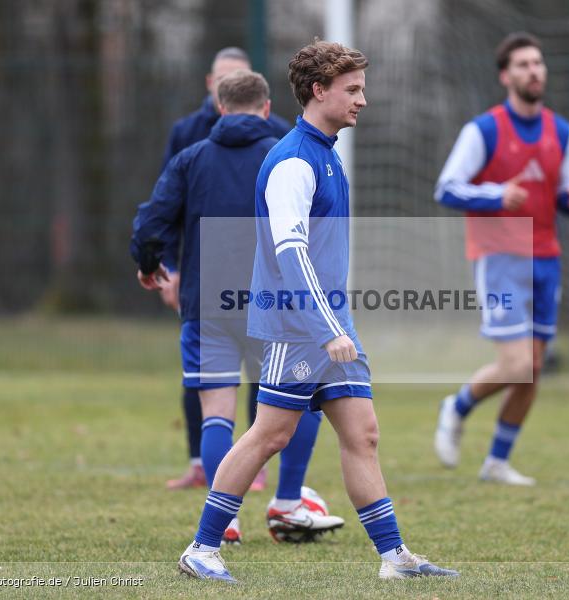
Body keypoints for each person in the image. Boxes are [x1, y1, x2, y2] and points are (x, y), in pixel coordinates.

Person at [177, 40, 459, 582]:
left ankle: (394, 558)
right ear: (318, 90)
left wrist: (336, 323)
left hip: (330, 324)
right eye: (352, 90)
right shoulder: (292, 161)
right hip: (298, 326)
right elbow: (292, 253)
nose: (362, 100)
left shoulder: (326, 154)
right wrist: (327, 328)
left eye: (362, 89)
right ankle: (202, 549)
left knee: (363, 434)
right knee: (269, 435)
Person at [132, 69, 342, 545]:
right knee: (298, 402)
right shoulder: (286, 156)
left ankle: (225, 520)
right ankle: (287, 502)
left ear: (220, 108)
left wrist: (149, 263)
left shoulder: (191, 157)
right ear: (266, 109)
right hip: (275, 305)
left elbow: (151, 222)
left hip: (207, 305)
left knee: (216, 414)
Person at [433, 32, 569, 485]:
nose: (533, 71)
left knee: (533, 370)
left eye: (538, 63)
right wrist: (497, 194)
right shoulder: (483, 130)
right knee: (517, 365)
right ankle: (457, 405)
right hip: (499, 255)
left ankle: (497, 461)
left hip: (546, 258)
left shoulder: (562, 132)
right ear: (505, 76)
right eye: (522, 64)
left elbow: (565, 192)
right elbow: (447, 188)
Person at [160, 47, 292, 491]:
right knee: (202, 380)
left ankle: (250, 471)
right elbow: (169, 205)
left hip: (249, 284)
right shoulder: (187, 135)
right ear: (211, 86)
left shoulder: (279, 137)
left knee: (252, 379)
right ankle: (201, 464)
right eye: (224, 78)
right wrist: (169, 266)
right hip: (208, 279)